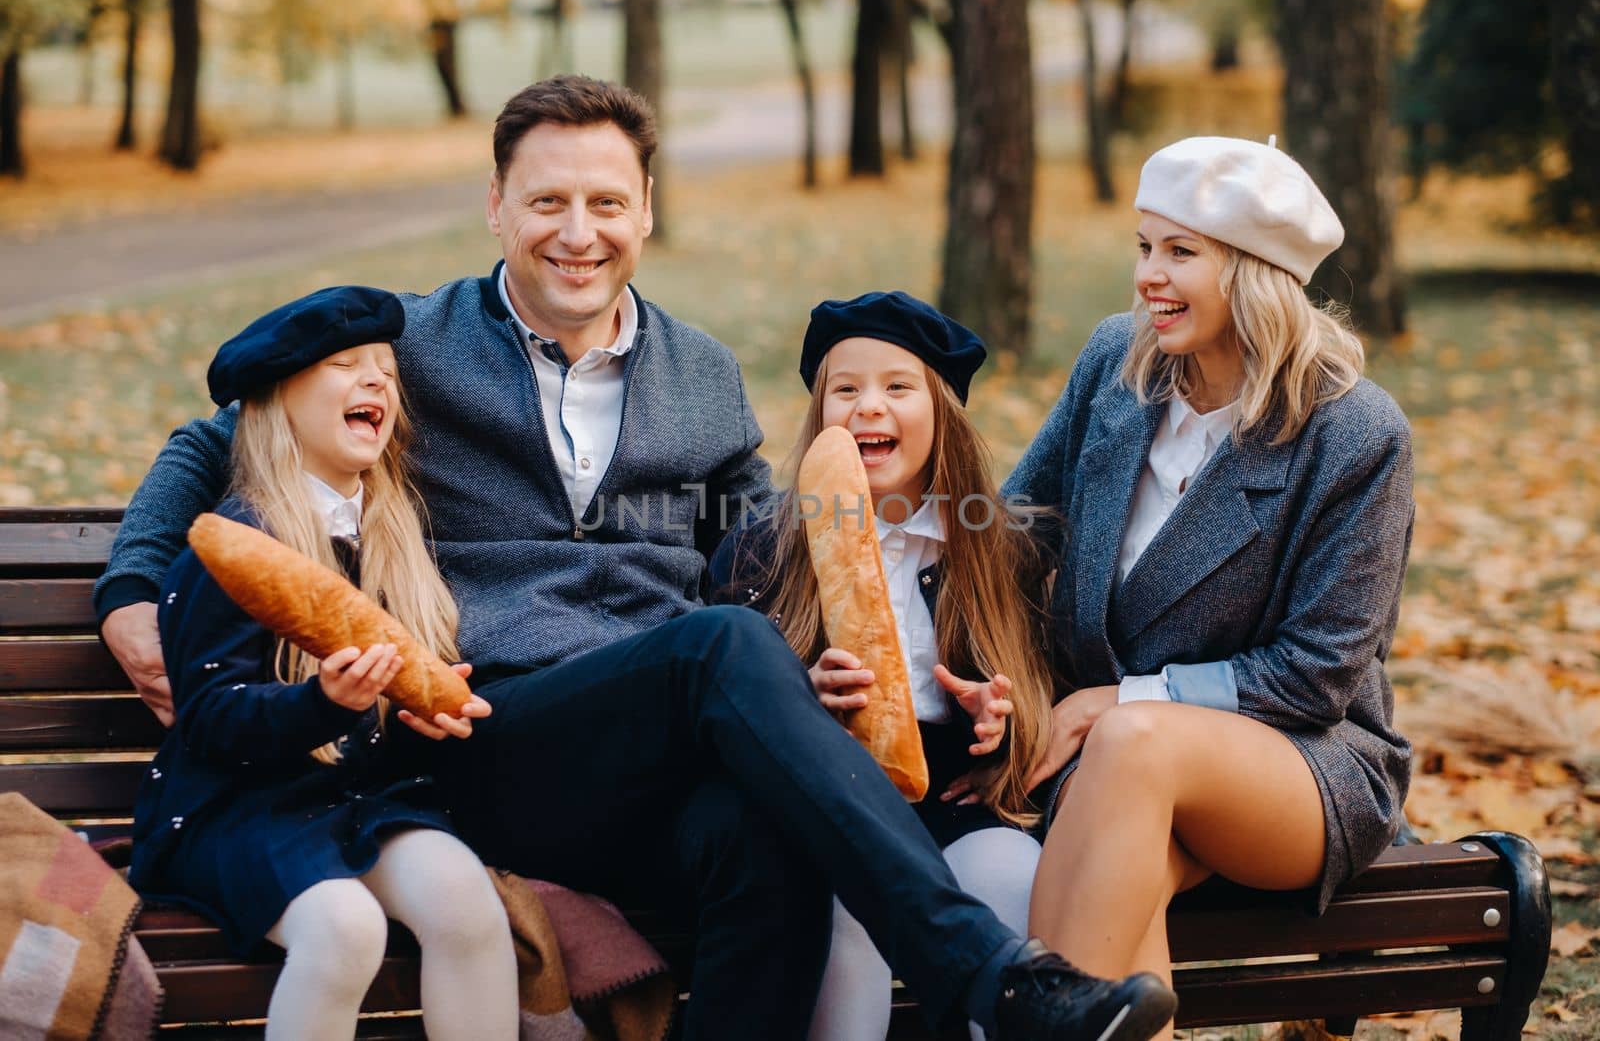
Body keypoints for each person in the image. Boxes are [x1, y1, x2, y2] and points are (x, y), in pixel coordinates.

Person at [96, 75, 1179, 1040]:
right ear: (496, 208)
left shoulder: (701, 375)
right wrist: (134, 589)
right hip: (490, 736)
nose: (579, 232)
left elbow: (773, 540)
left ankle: (983, 976)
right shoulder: (416, 347)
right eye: (548, 201)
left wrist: (848, 655)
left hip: (659, 754)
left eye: (607, 202)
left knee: (766, 831)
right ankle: (988, 974)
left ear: (646, 212)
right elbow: (216, 439)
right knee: (716, 646)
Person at [998, 136, 1414, 1041]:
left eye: (1182, 252)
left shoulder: (1354, 431)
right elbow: (1015, 537)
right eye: (1145, 246)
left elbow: (1317, 677)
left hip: (1306, 761)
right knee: (1126, 870)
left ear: (1258, 271)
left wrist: (1121, 698)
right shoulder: (1118, 361)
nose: (1150, 275)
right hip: (1113, 771)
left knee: (1134, 741)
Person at [128, 286, 516, 1041]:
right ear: (277, 401)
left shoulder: (394, 539)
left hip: (349, 801)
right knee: (345, 927)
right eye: (345, 365)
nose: (377, 379)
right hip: (231, 809)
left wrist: (420, 713)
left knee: (467, 901)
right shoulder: (238, 546)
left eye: (387, 373)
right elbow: (208, 719)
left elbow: (383, 727)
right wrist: (324, 703)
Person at [708, 291, 1058, 1041]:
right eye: (846, 388)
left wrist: (998, 722)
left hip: (955, 804)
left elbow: (1033, 702)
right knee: (847, 901)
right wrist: (799, 697)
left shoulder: (1000, 549)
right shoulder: (761, 551)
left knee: (1009, 874)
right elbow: (721, 707)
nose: (870, 406)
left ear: (942, 412)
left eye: (898, 387)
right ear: (819, 413)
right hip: (830, 810)